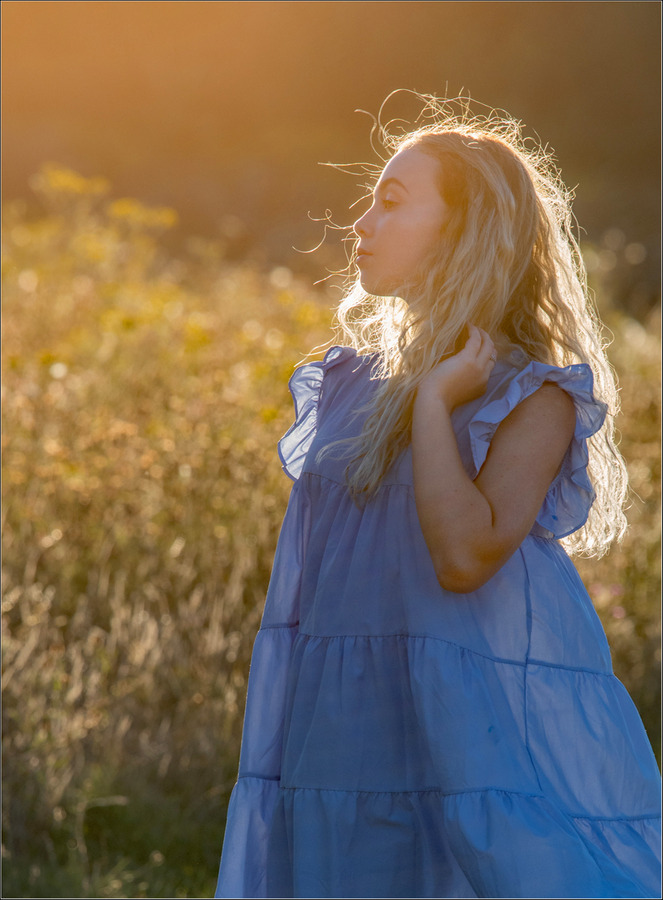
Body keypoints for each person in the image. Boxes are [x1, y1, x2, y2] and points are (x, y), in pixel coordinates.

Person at [214, 95, 661, 899]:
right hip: (343, 714)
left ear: (463, 230)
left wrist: (433, 403)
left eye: (390, 201)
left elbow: (464, 558)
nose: (360, 224)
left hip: (471, 721)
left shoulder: (534, 394)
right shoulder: (346, 385)